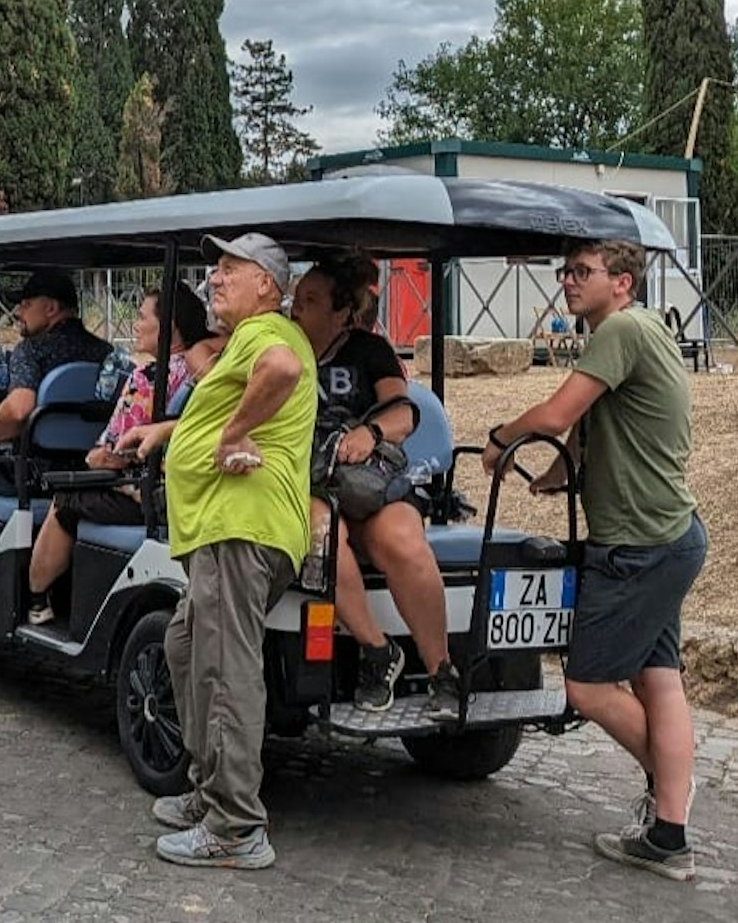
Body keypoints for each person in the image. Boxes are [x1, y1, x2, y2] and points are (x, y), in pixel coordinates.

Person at [484, 240, 707, 882]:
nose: (567, 282)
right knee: (657, 677)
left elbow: (558, 413)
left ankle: (672, 787)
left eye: (582, 272)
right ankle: (667, 836)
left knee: (586, 686)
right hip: (670, 537)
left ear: (623, 283)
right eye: (565, 271)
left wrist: (502, 441)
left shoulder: (622, 329)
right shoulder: (640, 332)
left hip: (638, 547)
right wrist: (562, 473)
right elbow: (593, 424)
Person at [149, 232, 315, 871]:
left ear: (267, 286)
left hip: (242, 527)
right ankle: (210, 787)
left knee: (224, 669)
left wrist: (234, 433)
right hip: (225, 527)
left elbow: (283, 371)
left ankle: (235, 827)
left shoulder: (265, 335)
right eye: (213, 270)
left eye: (228, 270)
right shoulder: (253, 335)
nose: (213, 280)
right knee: (186, 644)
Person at [290, 255, 458, 717]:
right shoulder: (282, 350)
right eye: (295, 299)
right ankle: (377, 651)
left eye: (310, 301)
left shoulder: (368, 351)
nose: (296, 310)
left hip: (367, 474)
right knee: (324, 539)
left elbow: (403, 412)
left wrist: (371, 432)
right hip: (311, 481)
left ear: (341, 312)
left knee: (403, 541)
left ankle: (442, 670)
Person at [26, 282, 210, 625]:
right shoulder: (200, 372)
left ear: (168, 326)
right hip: (181, 488)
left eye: (141, 317)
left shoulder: (149, 377)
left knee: (66, 498)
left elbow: (112, 448)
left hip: (144, 491)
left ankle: (38, 598)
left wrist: (97, 457)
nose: (135, 325)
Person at [0, 271, 110, 526]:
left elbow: (18, 409)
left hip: (33, 477)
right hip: (90, 474)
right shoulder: (105, 352)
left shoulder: (31, 350)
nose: (17, 312)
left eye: (26, 305)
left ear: (51, 308)